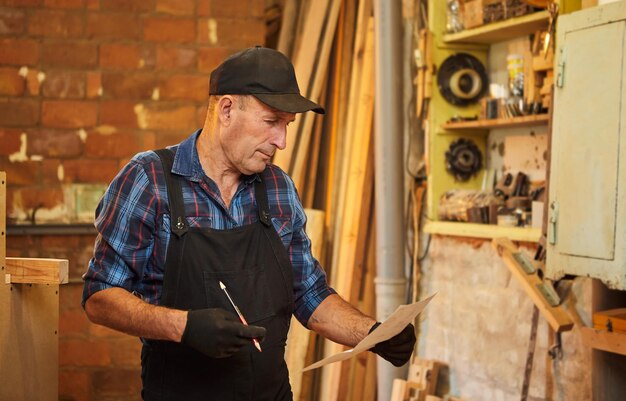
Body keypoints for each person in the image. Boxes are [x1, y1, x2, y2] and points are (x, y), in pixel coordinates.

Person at [82, 46, 416, 401]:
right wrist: (183, 326)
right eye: (272, 122)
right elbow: (99, 296)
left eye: (287, 125)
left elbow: (308, 294)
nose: (282, 142)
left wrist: (375, 333)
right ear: (226, 109)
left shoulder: (278, 188)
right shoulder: (150, 179)